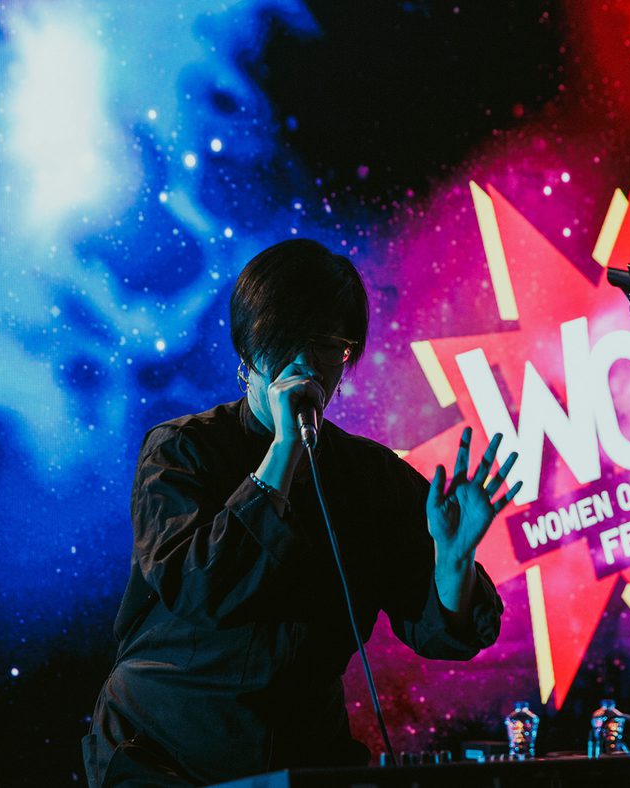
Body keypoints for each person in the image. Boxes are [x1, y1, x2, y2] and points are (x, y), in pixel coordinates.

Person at [83, 239, 519, 786]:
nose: (305, 366)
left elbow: (439, 631)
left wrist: (453, 565)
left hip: (302, 756)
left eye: (326, 347)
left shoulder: (369, 476)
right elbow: (198, 588)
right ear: (248, 352)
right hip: (165, 753)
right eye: (285, 342)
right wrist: (283, 452)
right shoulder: (180, 451)